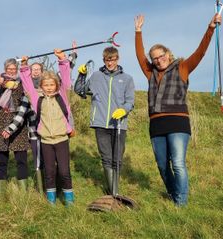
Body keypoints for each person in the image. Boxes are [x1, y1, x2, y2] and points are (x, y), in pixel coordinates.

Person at [134, 13, 221, 206]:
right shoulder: (150, 73)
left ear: (168, 54)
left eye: (161, 56)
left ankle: (180, 203)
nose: (158, 60)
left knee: (178, 164)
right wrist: (138, 32)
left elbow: (201, 52)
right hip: (156, 124)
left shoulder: (182, 67)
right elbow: (140, 57)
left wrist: (211, 28)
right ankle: (174, 194)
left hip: (178, 122)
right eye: (154, 58)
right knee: (163, 166)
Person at [19, 49, 74, 205]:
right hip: (46, 142)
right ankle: (51, 200)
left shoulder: (63, 96)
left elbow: (66, 79)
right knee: (49, 172)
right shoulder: (38, 100)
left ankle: (69, 199)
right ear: (41, 86)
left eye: (52, 84)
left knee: (64, 171)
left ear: (56, 85)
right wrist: (24, 66)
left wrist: (63, 60)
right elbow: (28, 86)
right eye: (46, 85)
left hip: (62, 139)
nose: (49, 87)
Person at [78, 47, 135, 195]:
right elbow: (80, 90)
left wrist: (124, 109)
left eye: (113, 59)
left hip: (119, 124)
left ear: (117, 59)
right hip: (100, 123)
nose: (110, 63)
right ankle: (113, 193)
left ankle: (114, 191)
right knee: (106, 158)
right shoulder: (96, 76)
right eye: (107, 60)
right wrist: (81, 75)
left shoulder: (127, 79)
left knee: (117, 158)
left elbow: (130, 101)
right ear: (104, 60)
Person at [0, 58, 30, 193]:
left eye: (13, 69)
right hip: (0, 126)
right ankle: (1, 193)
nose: (11, 71)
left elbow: (27, 101)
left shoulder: (22, 84)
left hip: (18, 127)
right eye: (8, 69)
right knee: (2, 161)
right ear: (5, 69)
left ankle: (23, 191)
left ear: (16, 70)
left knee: (21, 160)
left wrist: (24, 65)